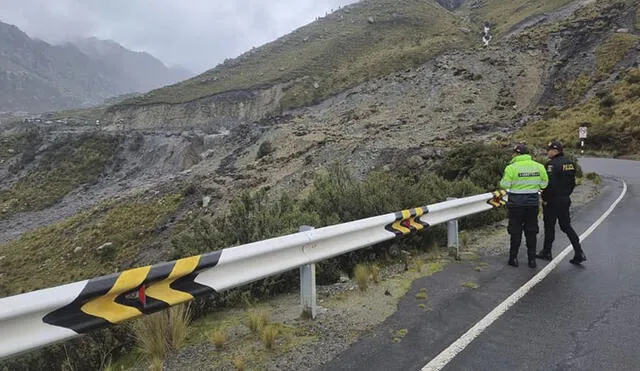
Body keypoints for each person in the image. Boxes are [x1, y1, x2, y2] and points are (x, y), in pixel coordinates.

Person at [536, 141, 587, 265]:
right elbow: (572, 183)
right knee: (566, 226)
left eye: (549, 150)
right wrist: (566, 194)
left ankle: (547, 252)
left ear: (555, 151)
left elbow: (549, 185)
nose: (547, 152)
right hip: (565, 199)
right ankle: (579, 251)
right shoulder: (570, 163)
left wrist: (545, 198)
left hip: (553, 200)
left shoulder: (551, 165)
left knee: (549, 226)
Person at [500, 144, 548, 268]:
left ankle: (513, 258)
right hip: (532, 203)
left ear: (516, 154)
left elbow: (505, 185)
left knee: (515, 230)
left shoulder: (511, 168)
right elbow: (544, 183)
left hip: (516, 204)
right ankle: (532, 260)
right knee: (531, 231)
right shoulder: (539, 167)